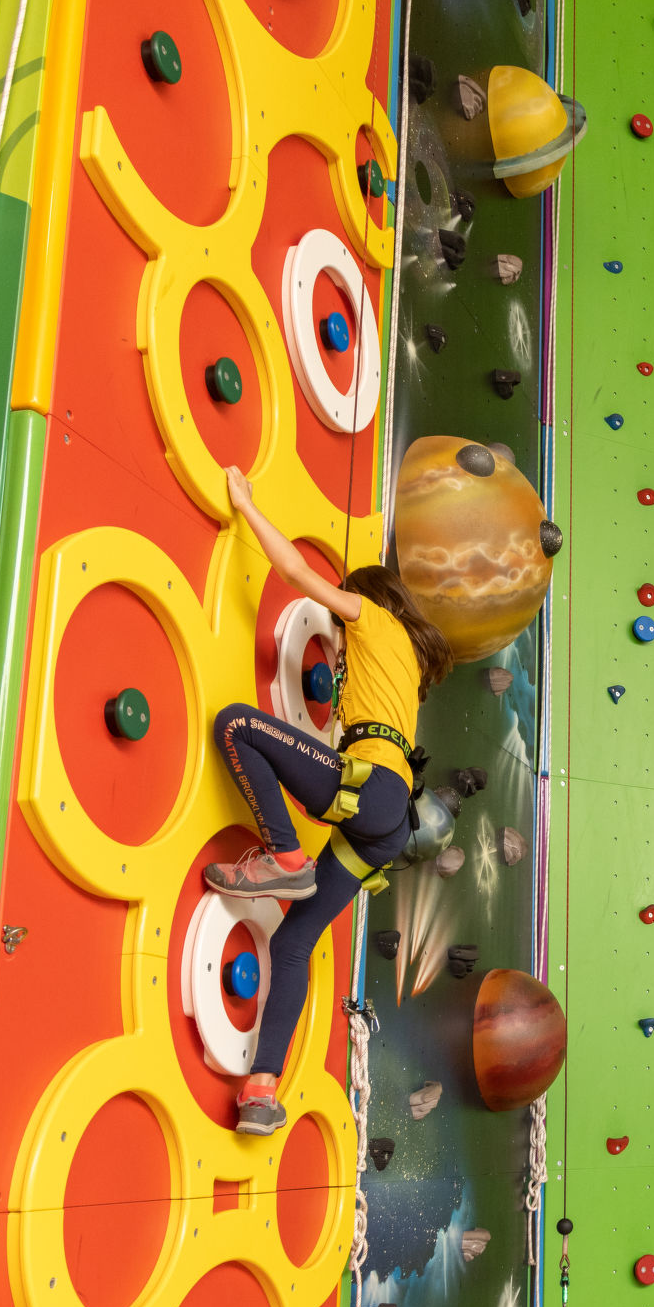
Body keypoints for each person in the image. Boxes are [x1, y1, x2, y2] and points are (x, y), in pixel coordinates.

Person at [205, 465, 451, 1135]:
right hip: (386, 823)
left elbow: (294, 571)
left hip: (369, 788)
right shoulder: (407, 664)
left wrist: (247, 506)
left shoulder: (371, 614)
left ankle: (284, 854)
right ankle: (262, 1091)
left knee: (236, 723)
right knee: (293, 943)